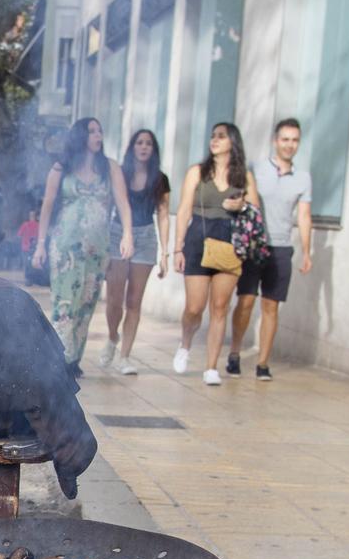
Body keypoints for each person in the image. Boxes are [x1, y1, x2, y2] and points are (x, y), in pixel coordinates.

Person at [34, 117, 135, 373]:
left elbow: (123, 203)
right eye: (92, 131)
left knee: (87, 302)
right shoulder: (62, 167)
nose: (98, 136)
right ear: (80, 136)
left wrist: (127, 234)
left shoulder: (110, 168)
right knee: (65, 302)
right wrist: (40, 245)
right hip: (65, 245)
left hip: (97, 246)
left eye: (100, 131)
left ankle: (74, 359)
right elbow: (47, 206)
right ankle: (58, 359)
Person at [172, 122, 261, 386]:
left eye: (221, 136)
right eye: (212, 136)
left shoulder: (243, 177)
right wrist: (178, 247)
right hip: (198, 240)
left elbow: (255, 213)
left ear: (233, 141)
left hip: (229, 243)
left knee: (220, 307)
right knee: (194, 307)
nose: (215, 140)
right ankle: (185, 343)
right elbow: (185, 209)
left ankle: (211, 367)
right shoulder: (197, 172)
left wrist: (242, 204)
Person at [229, 118, 313, 380]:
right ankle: (234, 353)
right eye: (285, 139)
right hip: (255, 245)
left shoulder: (303, 178)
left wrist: (307, 252)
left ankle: (263, 363)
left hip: (282, 248)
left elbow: (304, 216)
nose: (290, 145)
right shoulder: (255, 169)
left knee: (271, 306)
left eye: (295, 140)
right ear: (276, 141)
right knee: (245, 301)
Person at [96, 130, 173, 375]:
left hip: (146, 237)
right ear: (132, 147)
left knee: (134, 301)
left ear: (154, 149)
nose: (144, 147)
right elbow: (108, 205)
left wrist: (164, 253)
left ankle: (125, 356)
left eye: (149, 143)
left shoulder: (160, 179)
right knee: (115, 299)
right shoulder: (120, 173)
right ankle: (111, 337)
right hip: (118, 233)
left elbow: (163, 215)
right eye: (139, 142)